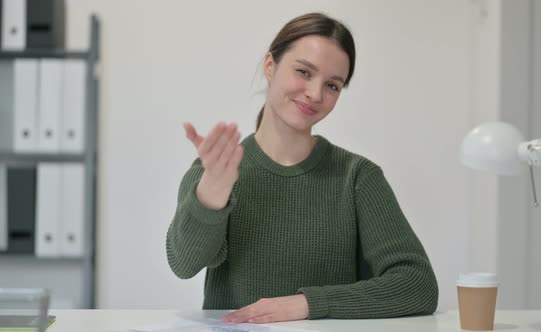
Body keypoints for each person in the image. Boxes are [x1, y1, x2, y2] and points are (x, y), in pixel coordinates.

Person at [166, 12, 438, 324]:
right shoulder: (216, 170)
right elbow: (183, 264)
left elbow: (418, 285)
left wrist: (308, 304)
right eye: (304, 72)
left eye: (333, 85)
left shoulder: (358, 178)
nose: (315, 94)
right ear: (271, 66)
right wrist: (213, 191)